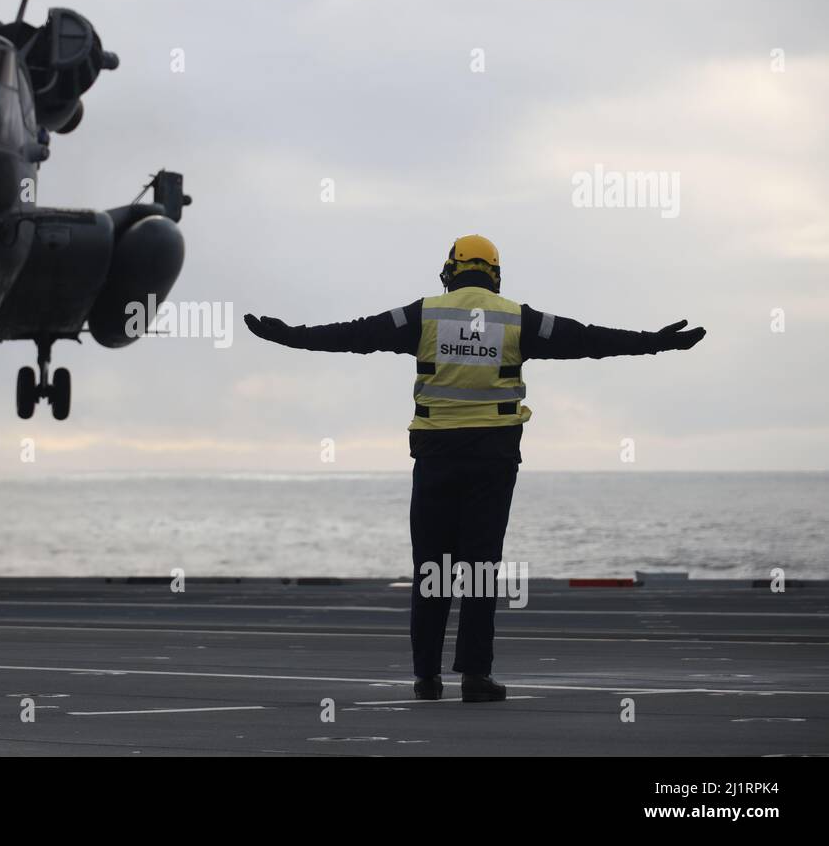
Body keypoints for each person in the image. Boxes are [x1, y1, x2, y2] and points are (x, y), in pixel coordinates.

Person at [243, 235, 706, 702]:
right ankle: (475, 677)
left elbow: (353, 335)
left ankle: (426, 677)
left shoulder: (423, 315)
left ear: (450, 270)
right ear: (494, 273)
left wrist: (291, 336)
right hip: (493, 459)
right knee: (480, 569)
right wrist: (654, 344)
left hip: (434, 457)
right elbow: (587, 338)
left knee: (431, 568)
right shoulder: (516, 318)